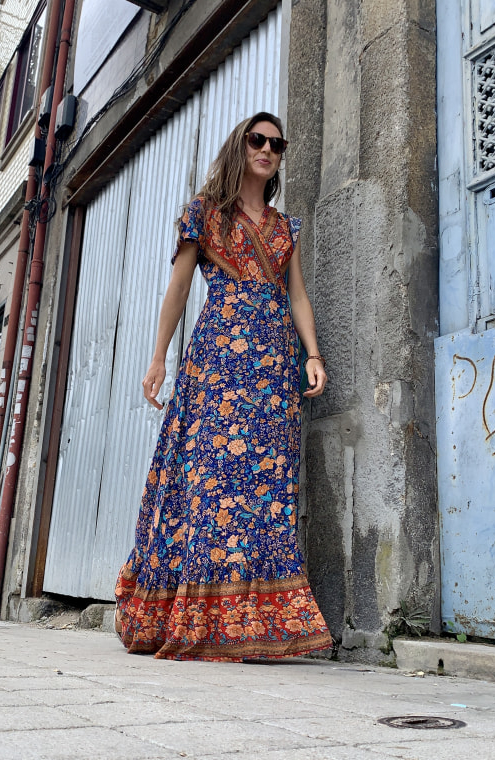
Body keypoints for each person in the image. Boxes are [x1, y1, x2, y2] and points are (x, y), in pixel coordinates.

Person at [115, 112, 332, 661]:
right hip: (217, 365)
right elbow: (180, 286)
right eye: (257, 140)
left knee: (267, 491)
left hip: (272, 369)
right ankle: (198, 613)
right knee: (211, 482)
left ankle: (253, 623)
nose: (267, 149)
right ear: (240, 145)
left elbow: (298, 295)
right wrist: (159, 356)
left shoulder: (286, 229)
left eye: (277, 144)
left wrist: (312, 354)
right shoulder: (205, 215)